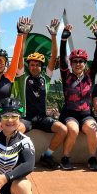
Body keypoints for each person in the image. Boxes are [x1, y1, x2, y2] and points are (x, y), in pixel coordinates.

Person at [14, 18, 67, 169]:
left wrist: (54, 36)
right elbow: (20, 55)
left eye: (38, 65)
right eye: (32, 64)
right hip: (26, 117)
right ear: (28, 66)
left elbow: (54, 58)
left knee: (63, 130)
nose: (35, 67)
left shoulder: (46, 78)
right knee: (15, 132)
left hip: (43, 117)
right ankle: (17, 160)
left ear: (41, 67)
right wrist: (24, 34)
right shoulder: (22, 77)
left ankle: (47, 156)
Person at [57, 24, 97, 171]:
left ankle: (92, 158)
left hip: (86, 114)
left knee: (92, 129)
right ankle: (65, 157)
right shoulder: (66, 75)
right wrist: (63, 40)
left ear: (85, 63)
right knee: (73, 129)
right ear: (71, 63)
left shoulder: (90, 75)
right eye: (75, 61)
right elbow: (62, 58)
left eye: (81, 61)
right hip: (69, 113)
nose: (78, 63)